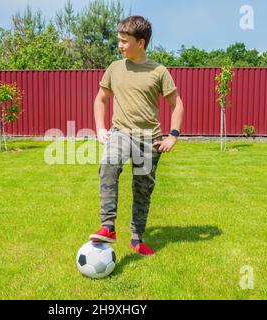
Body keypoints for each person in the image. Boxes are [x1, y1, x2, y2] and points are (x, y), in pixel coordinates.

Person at [89, 15, 185, 256]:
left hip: (149, 139)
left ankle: (136, 239)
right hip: (120, 132)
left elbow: (177, 103)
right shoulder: (114, 68)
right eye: (119, 40)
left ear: (141, 43)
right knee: (109, 165)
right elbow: (101, 99)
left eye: (124, 41)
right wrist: (100, 128)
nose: (120, 45)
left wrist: (172, 135)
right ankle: (107, 226)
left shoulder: (159, 72)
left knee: (142, 190)